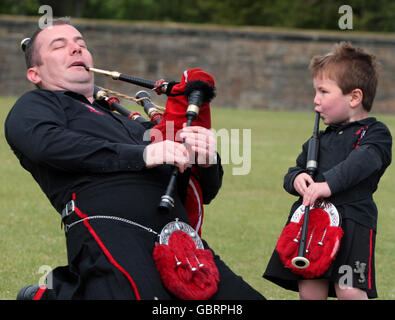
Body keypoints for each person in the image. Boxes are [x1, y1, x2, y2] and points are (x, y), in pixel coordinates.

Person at [5, 18, 264, 300]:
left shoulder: (133, 124)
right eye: (59, 46)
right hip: (111, 228)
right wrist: (143, 154)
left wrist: (205, 159)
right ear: (35, 73)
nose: (76, 50)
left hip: (178, 238)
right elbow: (48, 145)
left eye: (81, 44)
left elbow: (200, 191)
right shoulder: (36, 105)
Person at [263, 42, 392, 300]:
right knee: (310, 287)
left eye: (323, 91)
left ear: (354, 97)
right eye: (315, 91)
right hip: (313, 222)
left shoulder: (375, 134)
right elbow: (296, 169)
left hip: (353, 221)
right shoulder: (318, 139)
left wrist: (326, 185)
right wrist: (296, 179)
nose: (315, 100)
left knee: (349, 289)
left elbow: (362, 161)